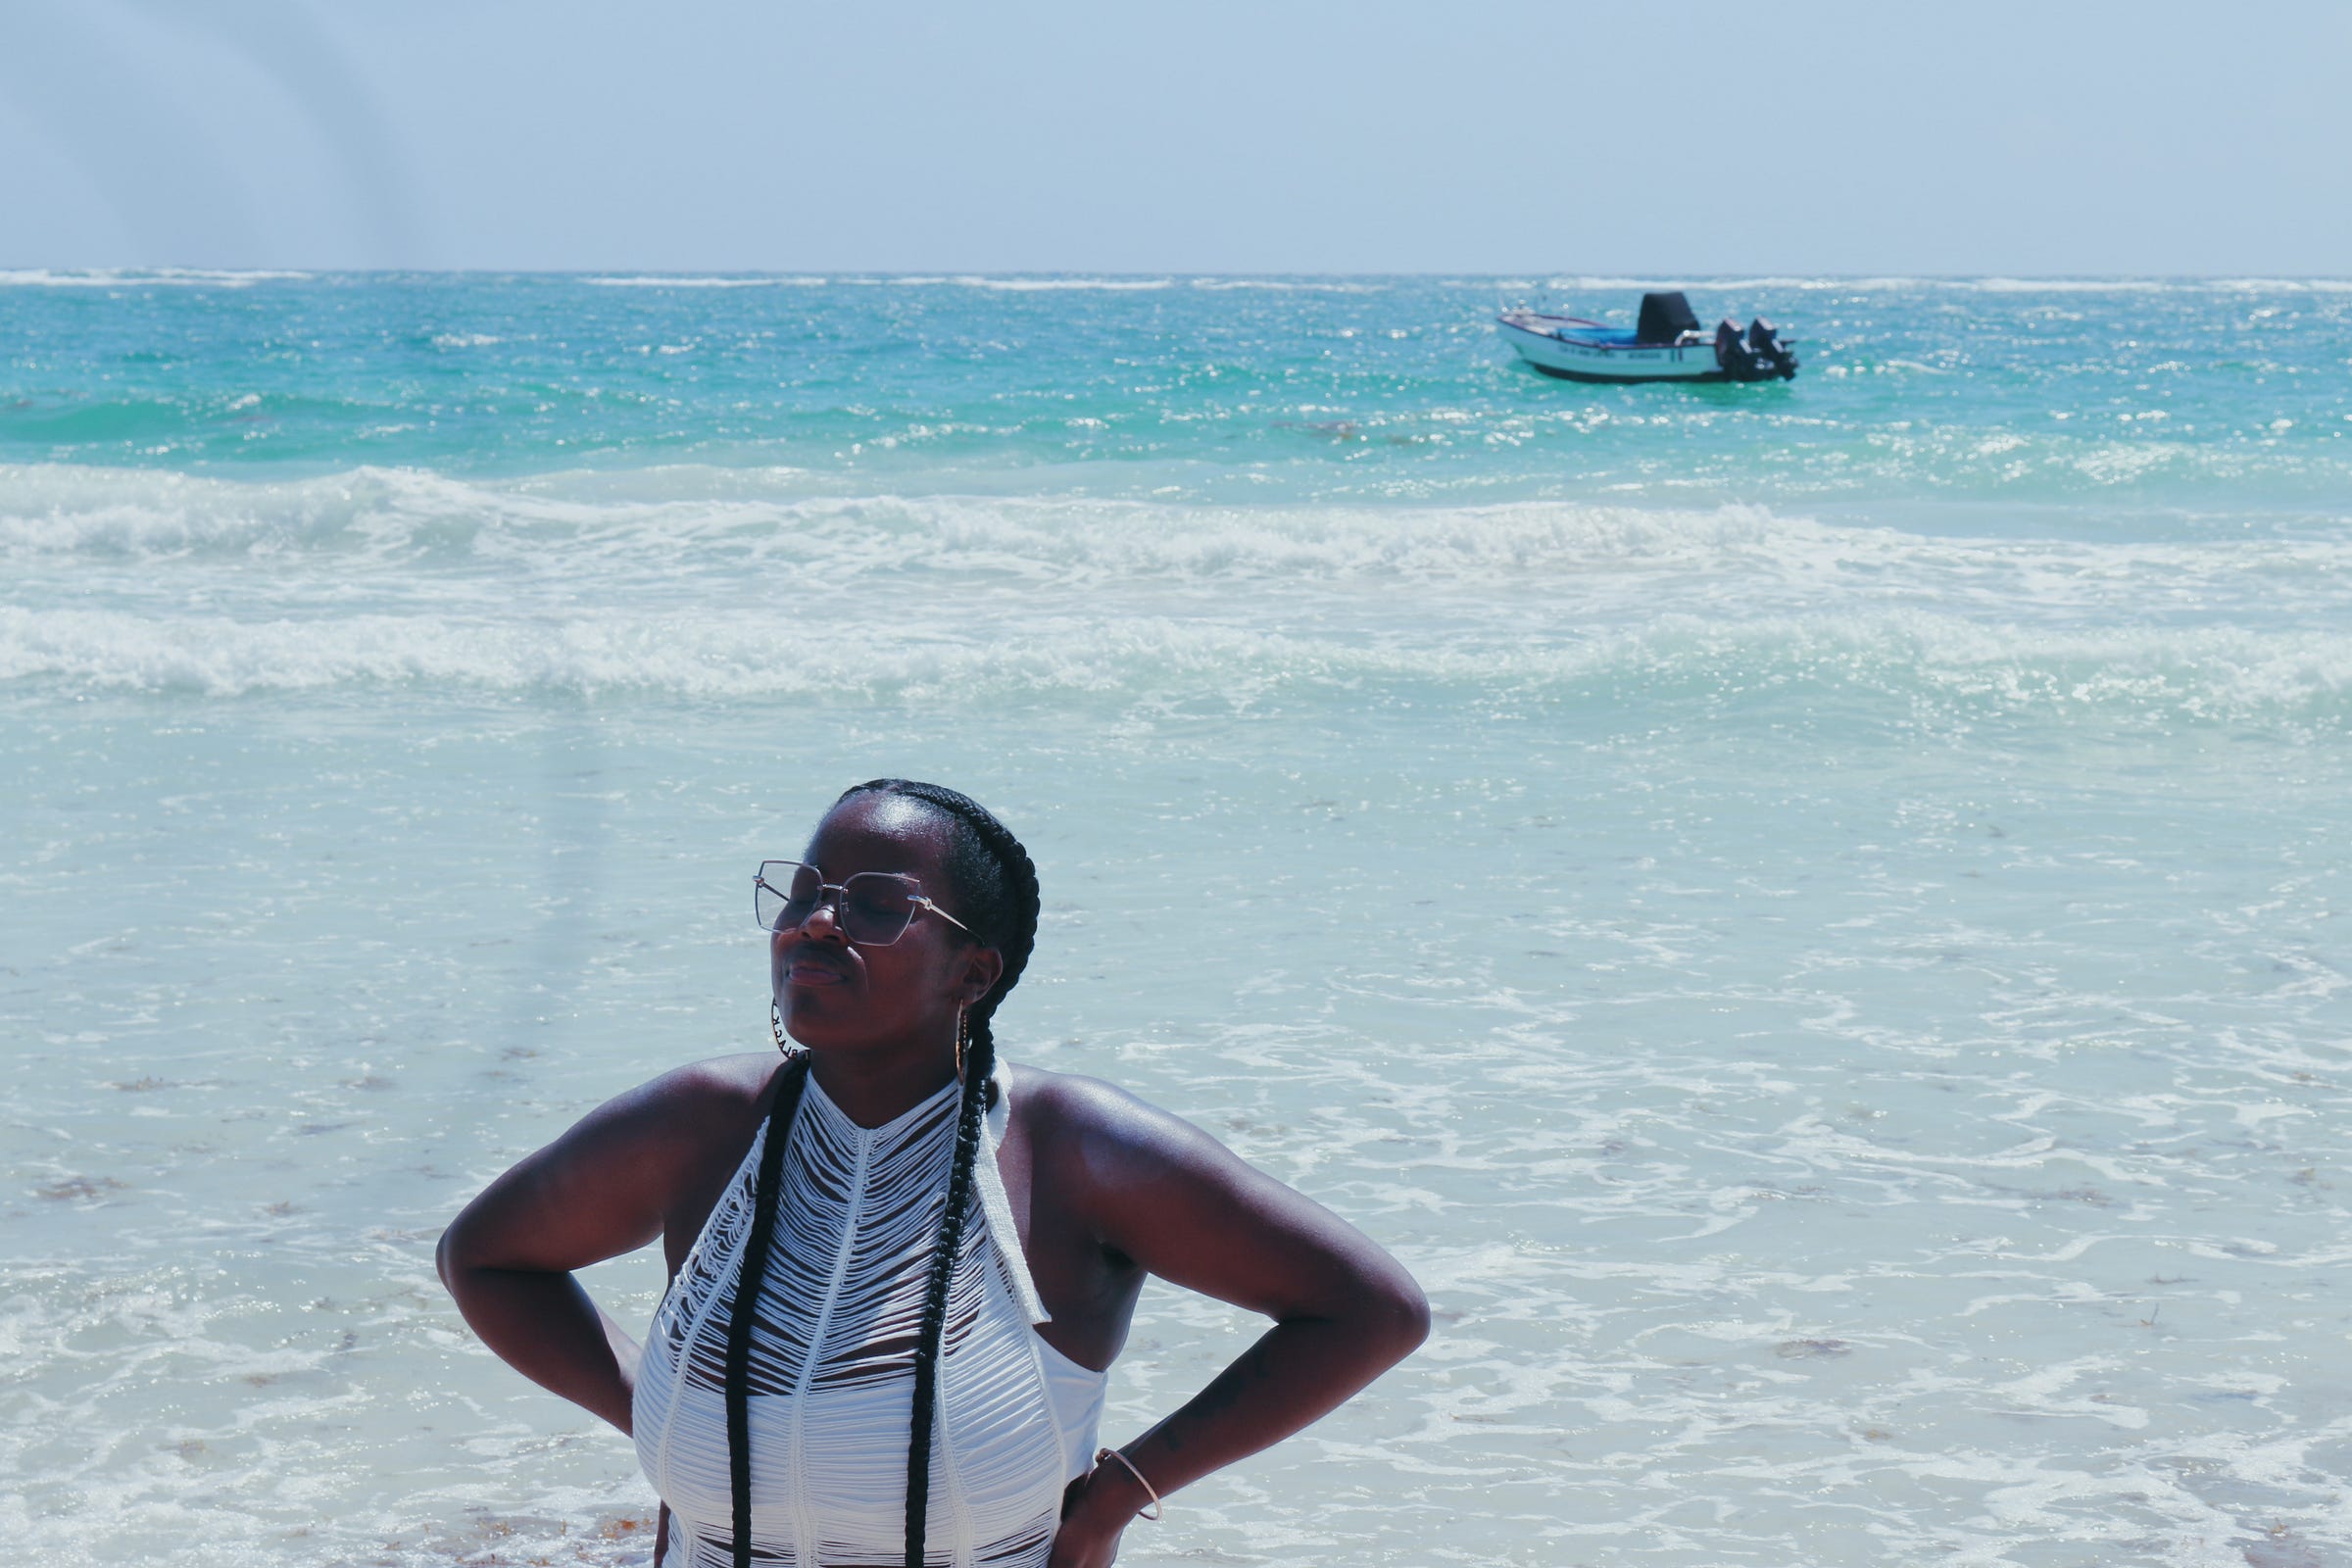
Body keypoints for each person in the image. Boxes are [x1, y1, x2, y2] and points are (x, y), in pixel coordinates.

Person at [438, 778, 1430, 1568]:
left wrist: (1121, 1493)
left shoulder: (1066, 1149)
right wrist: (666, 1412)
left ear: (972, 972)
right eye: (807, 892)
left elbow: (1369, 1309)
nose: (817, 922)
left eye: (876, 905)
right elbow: (483, 1257)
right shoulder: (706, 1126)